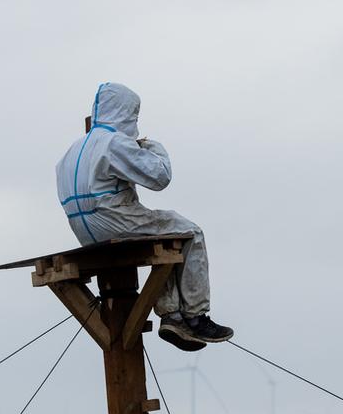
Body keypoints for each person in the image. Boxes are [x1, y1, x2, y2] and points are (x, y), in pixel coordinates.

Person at [56, 82, 234, 351]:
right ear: (125, 112)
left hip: (83, 229)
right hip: (113, 220)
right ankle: (196, 316)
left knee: (163, 237)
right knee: (189, 233)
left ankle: (173, 315)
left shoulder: (72, 149)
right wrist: (151, 146)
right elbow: (160, 177)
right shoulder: (114, 143)